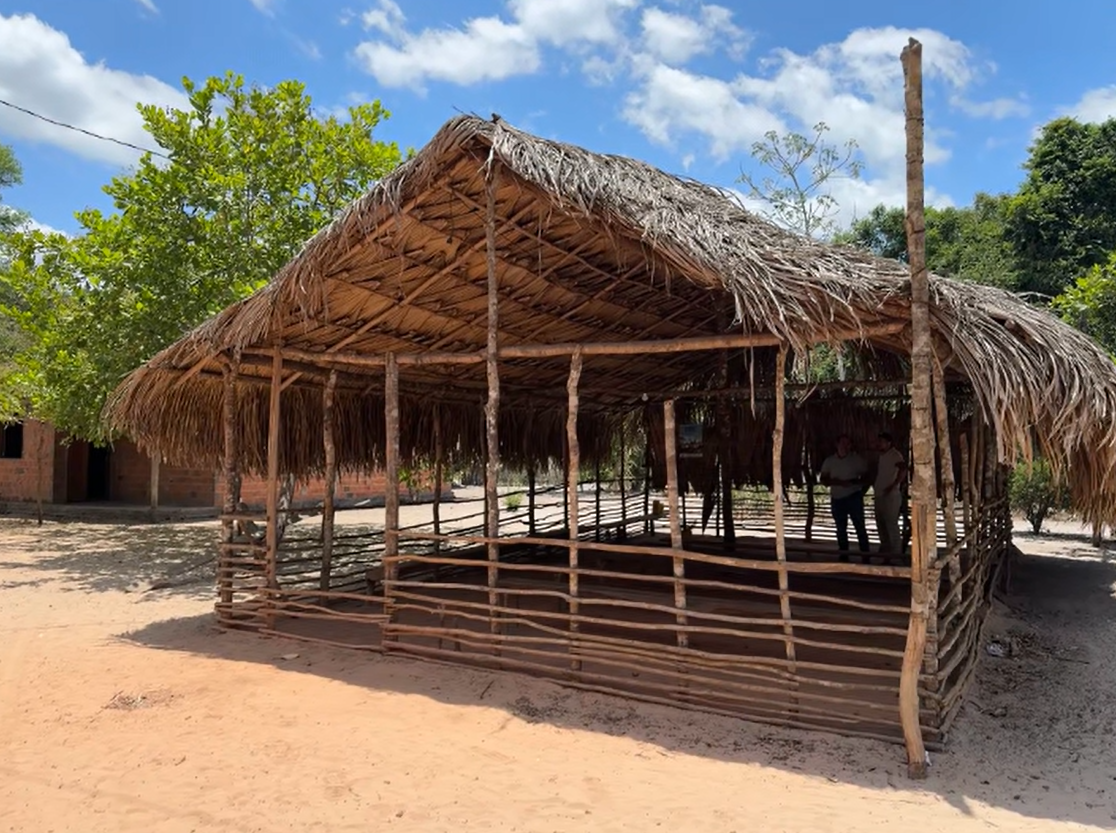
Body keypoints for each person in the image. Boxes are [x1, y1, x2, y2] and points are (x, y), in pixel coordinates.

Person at [819, 434, 870, 559]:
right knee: (841, 528)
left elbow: (868, 476)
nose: (845, 446)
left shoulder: (857, 460)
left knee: (859, 526)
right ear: (837, 445)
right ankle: (844, 554)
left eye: (848, 444)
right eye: (842, 443)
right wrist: (838, 483)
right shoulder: (830, 461)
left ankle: (865, 554)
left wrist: (857, 486)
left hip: (854, 497)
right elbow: (823, 480)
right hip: (837, 498)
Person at [873, 432, 908, 556]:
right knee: (881, 525)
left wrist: (894, 485)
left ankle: (896, 554)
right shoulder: (882, 456)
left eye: (881, 441)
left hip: (891, 495)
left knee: (891, 525)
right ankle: (886, 552)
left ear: (889, 443)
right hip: (880, 494)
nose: (879, 444)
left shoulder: (895, 455)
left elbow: (903, 469)